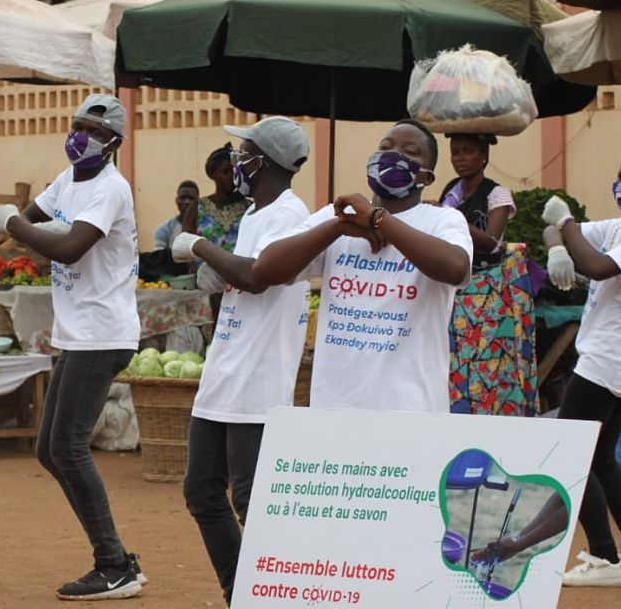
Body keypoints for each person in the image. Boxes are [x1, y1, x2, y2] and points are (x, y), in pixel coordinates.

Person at [0, 94, 144, 601]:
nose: (79, 136)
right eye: (76, 125)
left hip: (103, 332)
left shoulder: (110, 189)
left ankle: (114, 563)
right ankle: (114, 558)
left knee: (69, 447)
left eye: (92, 131)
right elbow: (35, 222)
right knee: (50, 449)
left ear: (114, 143)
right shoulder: (69, 180)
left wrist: (13, 223)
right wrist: (19, 224)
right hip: (77, 332)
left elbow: (66, 245)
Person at [169, 117, 311, 606]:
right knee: (202, 493)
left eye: (242, 150)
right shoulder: (255, 214)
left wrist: (200, 247)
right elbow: (241, 278)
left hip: (257, 382)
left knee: (253, 504)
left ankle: (282, 596)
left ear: (264, 161)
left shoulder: (291, 216)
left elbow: (256, 277)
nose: (235, 160)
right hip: (224, 374)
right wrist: (215, 271)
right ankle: (242, 594)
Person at [253, 120, 473, 411]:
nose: (393, 154)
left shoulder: (442, 221)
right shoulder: (339, 219)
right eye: (385, 147)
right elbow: (265, 270)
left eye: (410, 151)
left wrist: (378, 219)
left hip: (410, 413)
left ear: (427, 177)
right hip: (334, 410)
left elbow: (456, 269)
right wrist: (337, 227)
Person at [535, 145, 621, 588]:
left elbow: (595, 264)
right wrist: (558, 246)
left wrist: (566, 225)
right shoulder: (619, 227)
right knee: (602, 458)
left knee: (573, 455)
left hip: (610, 359)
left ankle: (606, 558)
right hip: (614, 356)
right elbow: (555, 230)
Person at [438, 133, 537, 416]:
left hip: (488, 295)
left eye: (467, 151)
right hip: (455, 288)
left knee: (486, 362)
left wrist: (451, 218)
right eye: (455, 152)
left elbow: (492, 242)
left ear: (484, 155)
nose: (460, 158)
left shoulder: (497, 194)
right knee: (455, 361)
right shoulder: (452, 192)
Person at [184, 143, 250, 254]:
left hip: (239, 270)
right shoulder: (198, 207)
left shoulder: (249, 207)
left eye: (234, 171)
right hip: (203, 270)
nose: (231, 176)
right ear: (212, 174)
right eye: (225, 172)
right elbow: (184, 242)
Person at [153, 180, 199, 250]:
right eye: (183, 198)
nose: (187, 202)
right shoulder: (164, 230)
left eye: (191, 198)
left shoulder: (207, 227)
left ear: (198, 201)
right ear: (177, 201)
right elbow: (159, 257)